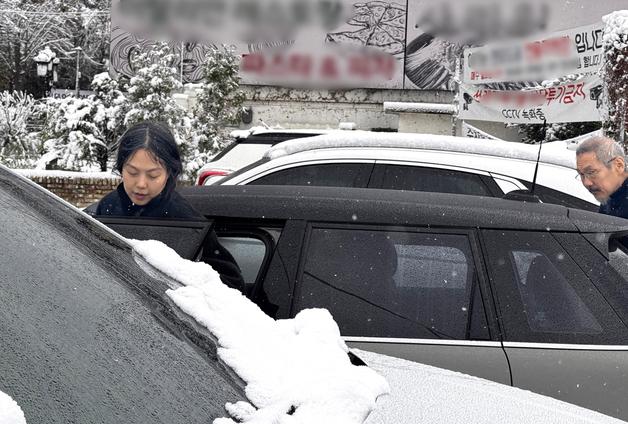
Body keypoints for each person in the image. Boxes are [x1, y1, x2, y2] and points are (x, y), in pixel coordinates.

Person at [88, 121, 245, 289]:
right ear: (121, 168)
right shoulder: (108, 206)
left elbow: (232, 285)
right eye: (132, 172)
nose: (141, 184)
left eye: (153, 175)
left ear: (169, 172)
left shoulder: (186, 220)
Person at [576, 135, 628, 219]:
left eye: (591, 172)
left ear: (618, 165)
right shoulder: (610, 196)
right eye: (581, 174)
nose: (586, 183)